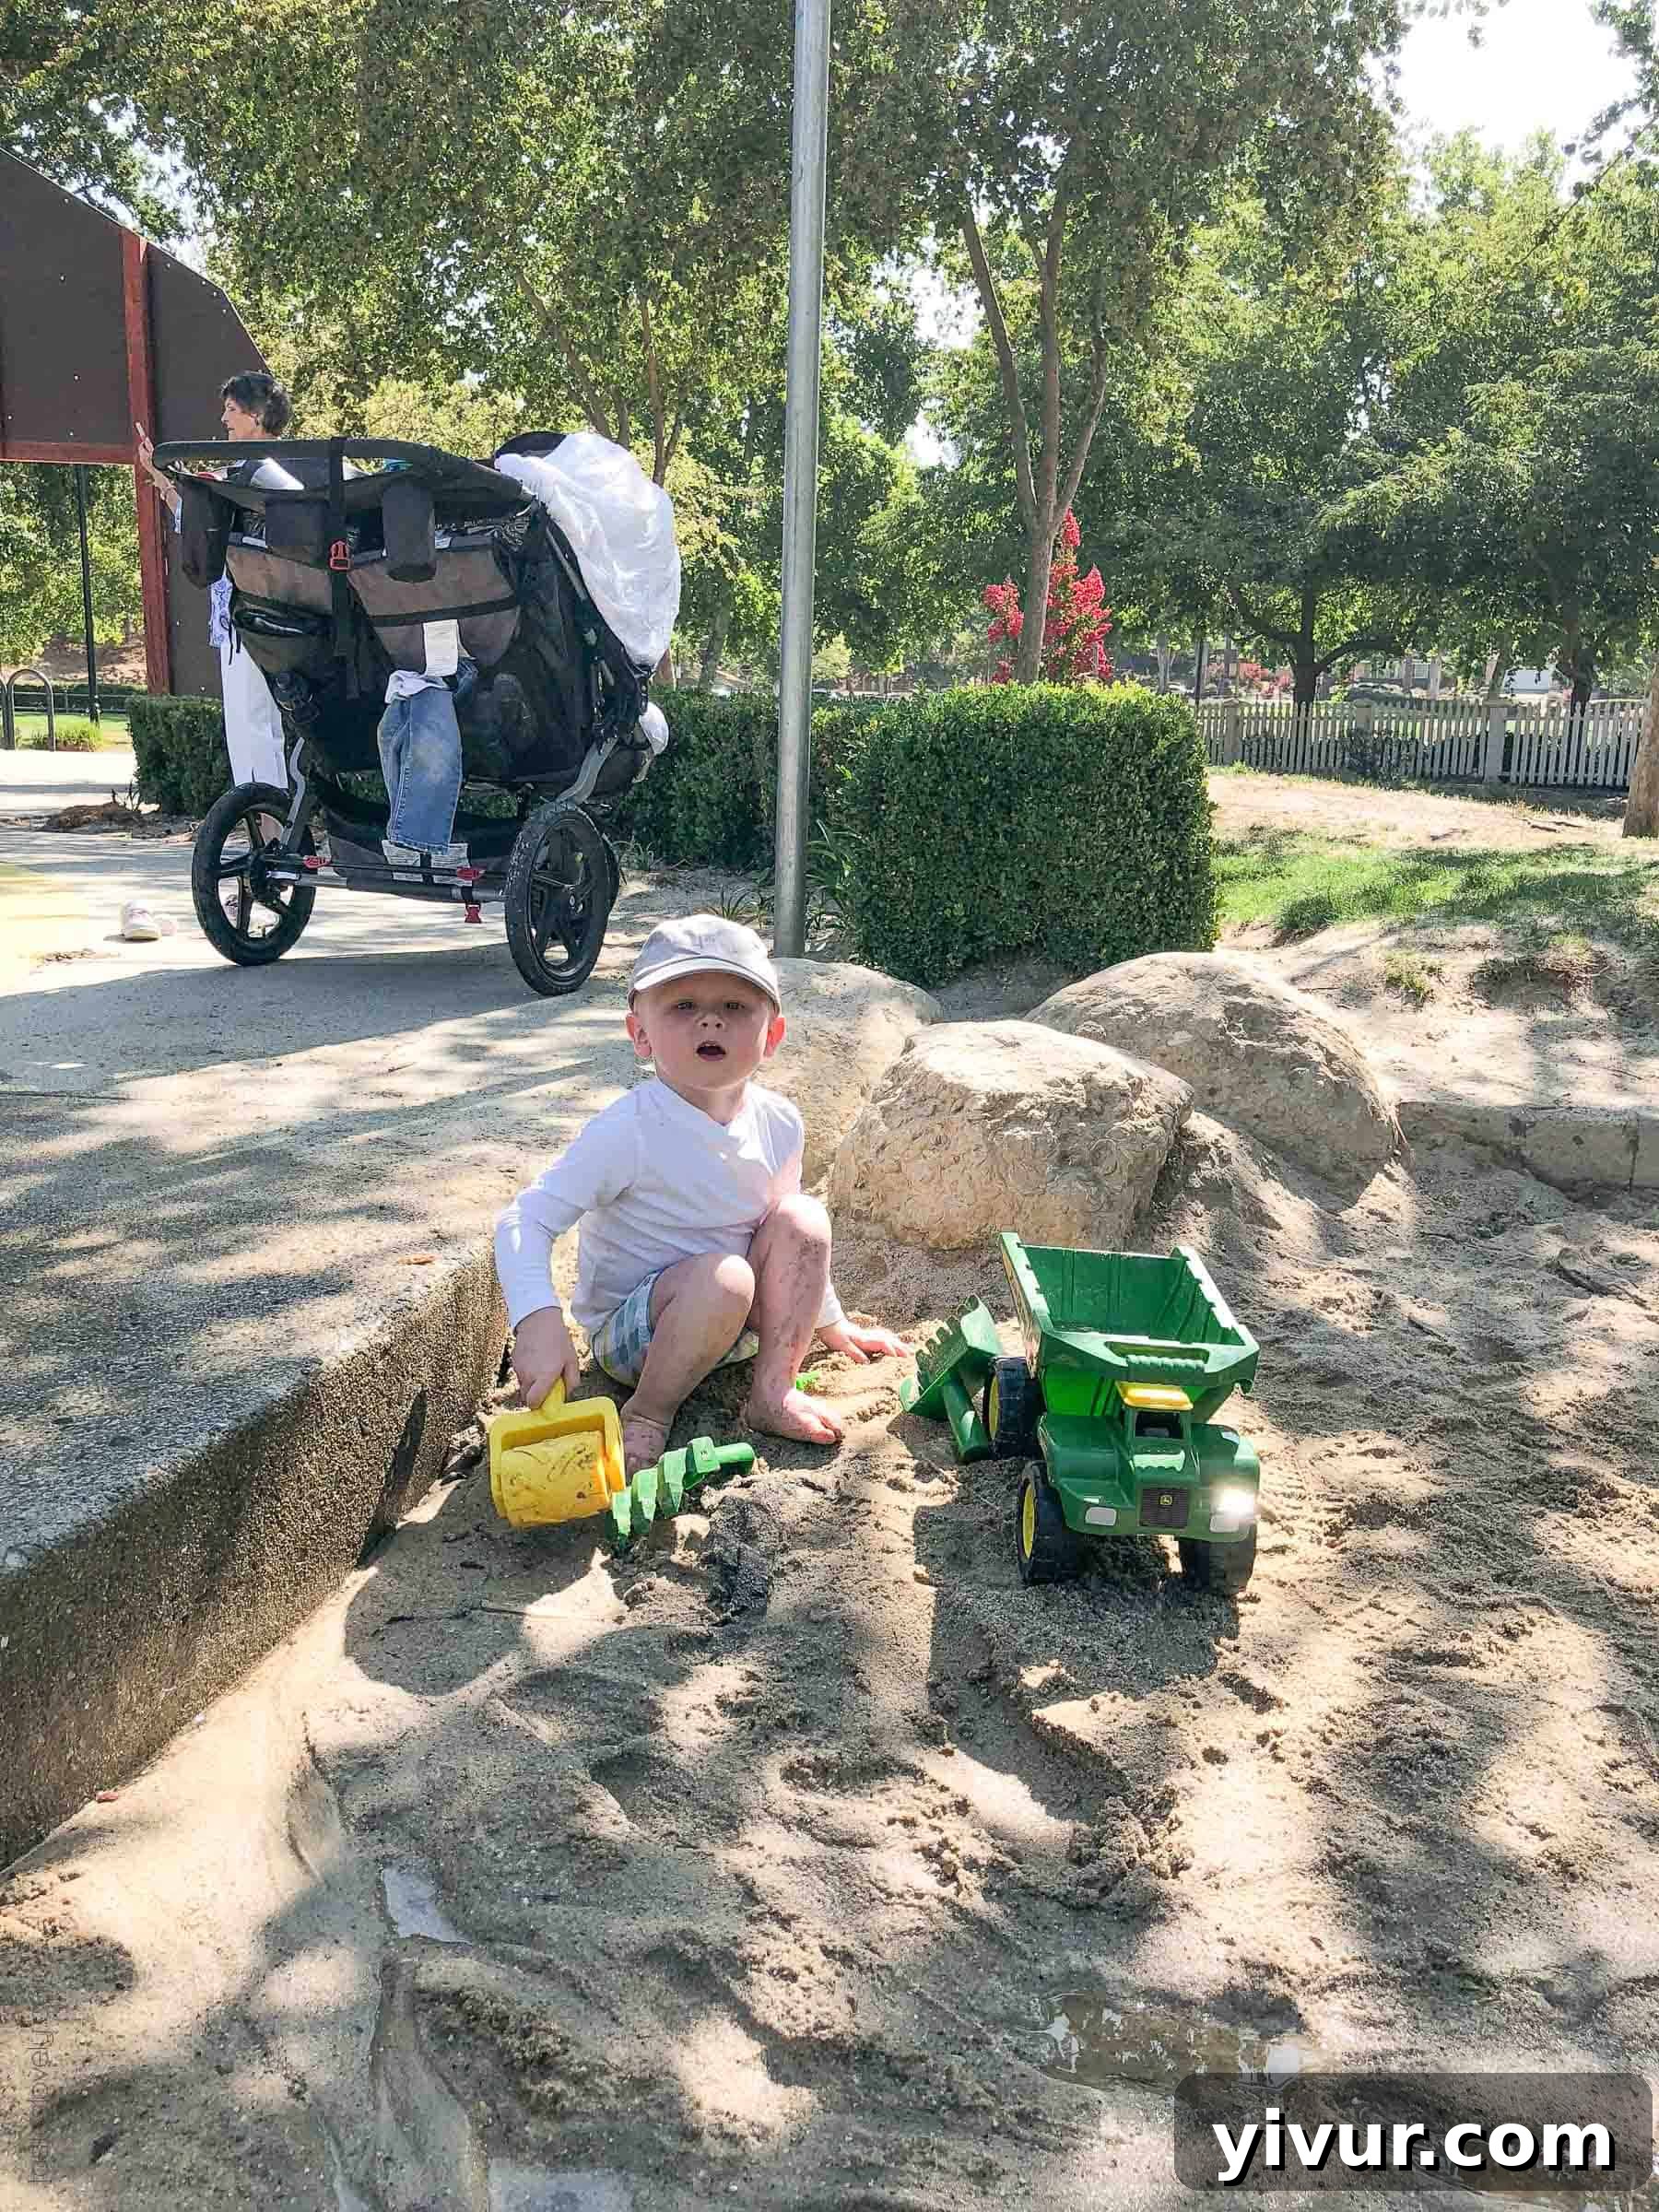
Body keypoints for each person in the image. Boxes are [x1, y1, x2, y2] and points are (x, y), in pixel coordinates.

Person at [495, 914, 905, 1476]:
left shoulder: (780, 1122)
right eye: (683, 1005)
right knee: (725, 1278)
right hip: (637, 1338)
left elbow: (788, 1243)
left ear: (772, 1036)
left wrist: (831, 1323)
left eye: (735, 1006)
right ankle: (648, 1413)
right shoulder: (628, 1131)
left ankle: (773, 1391)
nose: (710, 1019)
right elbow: (527, 1219)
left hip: (734, 1326)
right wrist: (537, 1321)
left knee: (804, 1217)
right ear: (640, 1034)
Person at [135, 373, 300, 794]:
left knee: (252, 727)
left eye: (231, 409)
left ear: (257, 415)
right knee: (256, 728)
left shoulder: (253, 476)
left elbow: (206, 533)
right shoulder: (277, 472)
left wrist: (166, 479)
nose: (224, 418)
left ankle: (268, 826)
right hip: (267, 618)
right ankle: (270, 824)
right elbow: (197, 526)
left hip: (249, 617)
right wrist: (161, 479)